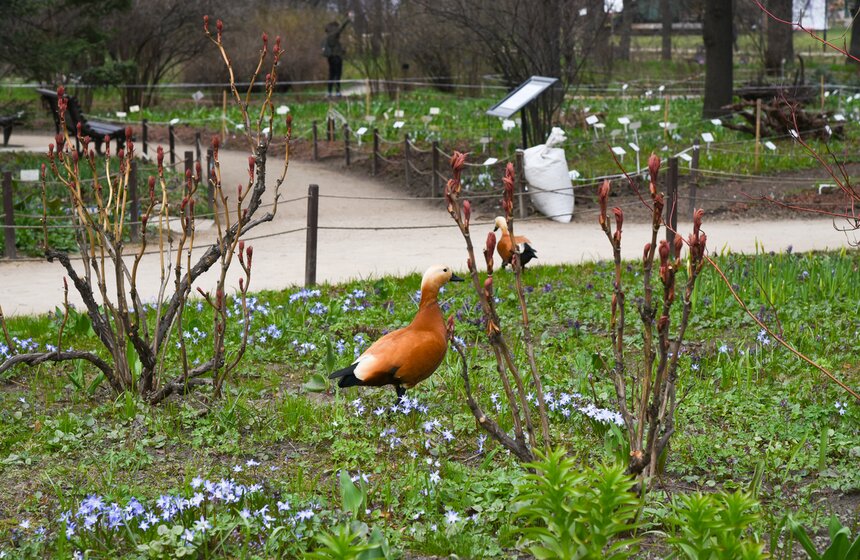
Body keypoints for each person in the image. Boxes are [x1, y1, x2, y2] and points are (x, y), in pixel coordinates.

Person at [322, 13, 352, 97]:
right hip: (336, 58)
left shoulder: (329, 37)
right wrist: (348, 19)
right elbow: (341, 28)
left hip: (332, 57)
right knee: (337, 75)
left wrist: (342, 50)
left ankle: (330, 92)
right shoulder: (333, 35)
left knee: (332, 75)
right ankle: (336, 92)